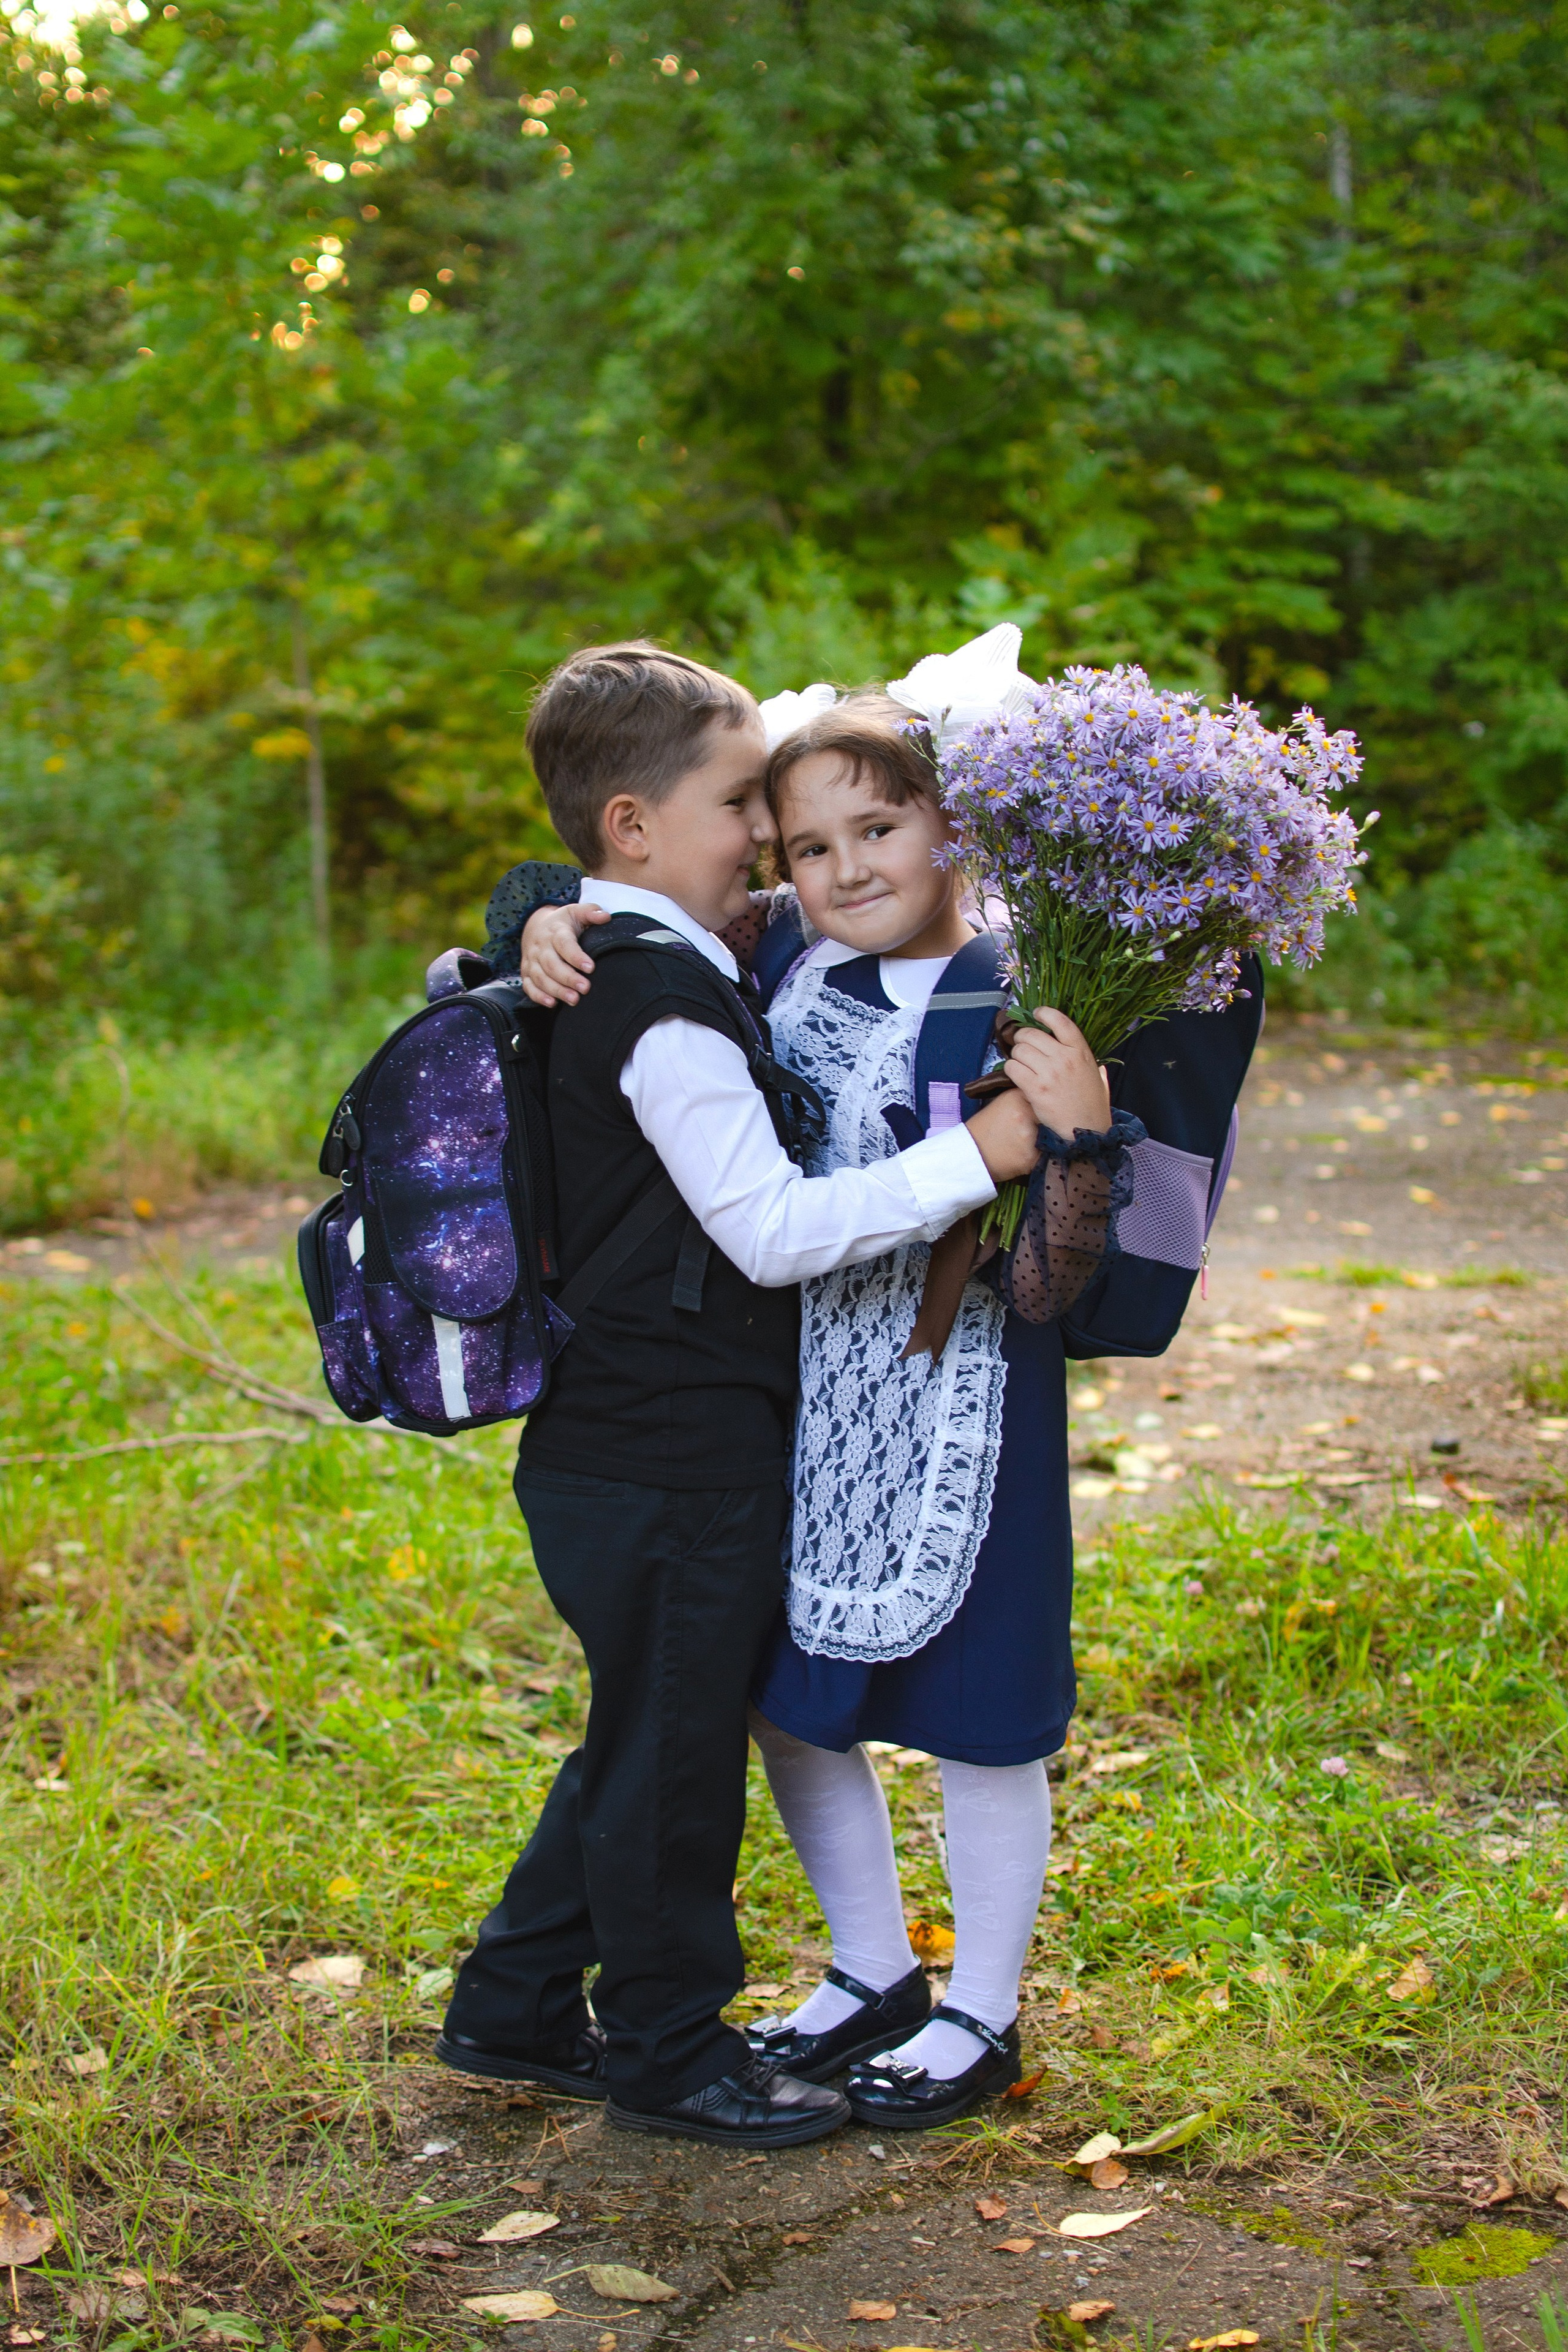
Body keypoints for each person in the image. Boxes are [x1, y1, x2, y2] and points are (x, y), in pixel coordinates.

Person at [437, 643, 1077, 2149]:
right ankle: (685, 2038)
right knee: (683, 1752)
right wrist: (978, 1157)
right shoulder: (672, 985)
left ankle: (520, 2001)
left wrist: (550, 906)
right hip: (679, 1438)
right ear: (641, 829)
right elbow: (771, 1229)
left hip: (725, 1428)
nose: (783, 852)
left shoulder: (723, 954)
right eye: (755, 815)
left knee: (656, 1733)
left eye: (784, 820)